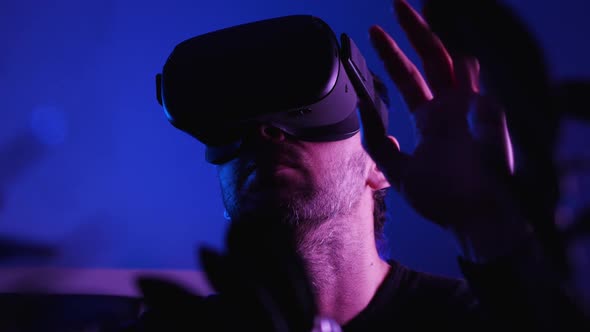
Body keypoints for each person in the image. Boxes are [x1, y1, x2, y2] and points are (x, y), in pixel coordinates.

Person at [127, 0, 586, 331]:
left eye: (300, 113)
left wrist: (485, 229)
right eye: (234, 128)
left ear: (379, 165)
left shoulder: (474, 320)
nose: (264, 134)